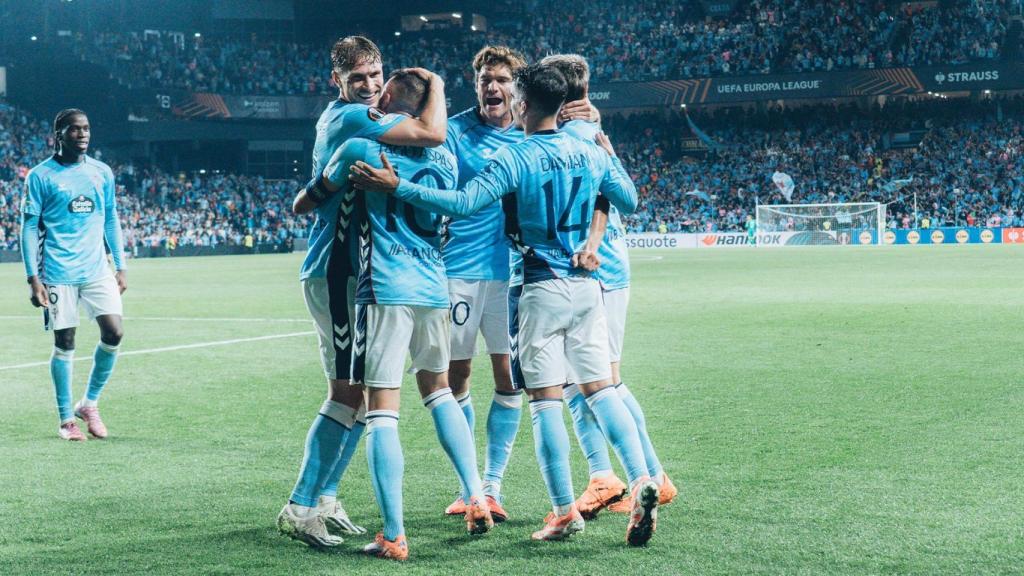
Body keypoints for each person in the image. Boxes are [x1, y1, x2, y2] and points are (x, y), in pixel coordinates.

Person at [350, 63, 659, 547]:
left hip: (539, 285)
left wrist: (398, 187)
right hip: (586, 288)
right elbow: (629, 199)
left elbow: (462, 203)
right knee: (600, 389)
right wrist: (606, 152)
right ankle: (643, 482)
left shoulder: (518, 157)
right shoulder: (586, 148)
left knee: (545, 403)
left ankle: (562, 513)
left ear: (524, 101)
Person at [278, 35, 447, 548]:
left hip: (354, 271)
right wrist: (437, 82)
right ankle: (301, 505)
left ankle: (325, 497)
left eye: (376, 75)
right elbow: (432, 132)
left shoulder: (348, 119)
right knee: (348, 393)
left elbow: (306, 199)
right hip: (337, 270)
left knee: (360, 393)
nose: (371, 86)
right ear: (338, 81)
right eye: (359, 79)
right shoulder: (353, 119)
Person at [319, 69, 492, 561]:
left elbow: (317, 194)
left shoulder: (361, 146)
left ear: (388, 96)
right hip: (434, 287)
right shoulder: (446, 154)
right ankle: (475, 495)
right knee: (440, 392)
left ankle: (393, 534)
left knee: (381, 413)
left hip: (386, 289)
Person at [542, 53, 677, 518]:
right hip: (604, 271)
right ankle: (636, 476)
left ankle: (638, 477)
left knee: (597, 384)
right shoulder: (592, 136)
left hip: (593, 273)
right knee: (589, 384)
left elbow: (624, 198)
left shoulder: (568, 139)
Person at [437, 45, 527, 521]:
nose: (492, 87)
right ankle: (469, 487)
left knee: (510, 377)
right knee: (456, 376)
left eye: (501, 79)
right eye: (483, 79)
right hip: (458, 271)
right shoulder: (453, 131)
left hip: (511, 274)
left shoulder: (532, 133)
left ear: (517, 85)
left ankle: (493, 486)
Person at [19, 108, 127, 441]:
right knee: (65, 342)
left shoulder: (101, 172)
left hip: (96, 269)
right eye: (75, 129)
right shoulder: (40, 176)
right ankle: (66, 419)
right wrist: (33, 278)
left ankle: (89, 403)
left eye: (87, 128)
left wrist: (120, 265)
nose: (83, 134)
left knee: (114, 333)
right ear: (59, 134)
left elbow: (110, 219)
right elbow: (28, 227)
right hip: (57, 271)